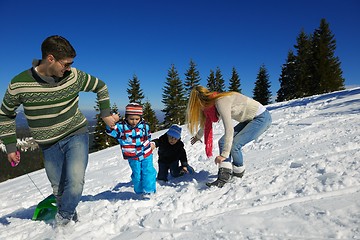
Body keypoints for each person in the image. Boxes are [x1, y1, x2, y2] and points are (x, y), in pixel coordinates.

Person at [0, 35, 116, 225]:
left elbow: (101, 87)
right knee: (59, 189)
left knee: (76, 181)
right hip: (48, 145)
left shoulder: (75, 76)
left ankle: (63, 222)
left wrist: (105, 114)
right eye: (66, 64)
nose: (69, 68)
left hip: (75, 133)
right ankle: (70, 216)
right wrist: (11, 147)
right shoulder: (19, 84)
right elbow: (5, 114)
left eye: (71, 64)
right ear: (50, 59)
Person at [186, 85, 272, 188]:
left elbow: (229, 129)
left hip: (261, 118)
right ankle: (224, 176)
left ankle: (238, 173)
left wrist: (224, 155)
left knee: (234, 145)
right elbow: (206, 123)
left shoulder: (221, 101)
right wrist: (198, 136)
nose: (198, 108)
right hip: (248, 119)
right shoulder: (211, 105)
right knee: (223, 142)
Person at [106, 103, 156, 198]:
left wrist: (149, 144)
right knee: (137, 174)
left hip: (146, 153)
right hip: (133, 156)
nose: (134, 121)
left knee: (148, 171)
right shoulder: (122, 128)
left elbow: (148, 136)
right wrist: (112, 121)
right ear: (126, 117)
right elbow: (110, 131)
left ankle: (149, 191)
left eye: (137, 119)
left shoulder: (145, 126)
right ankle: (139, 191)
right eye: (131, 119)